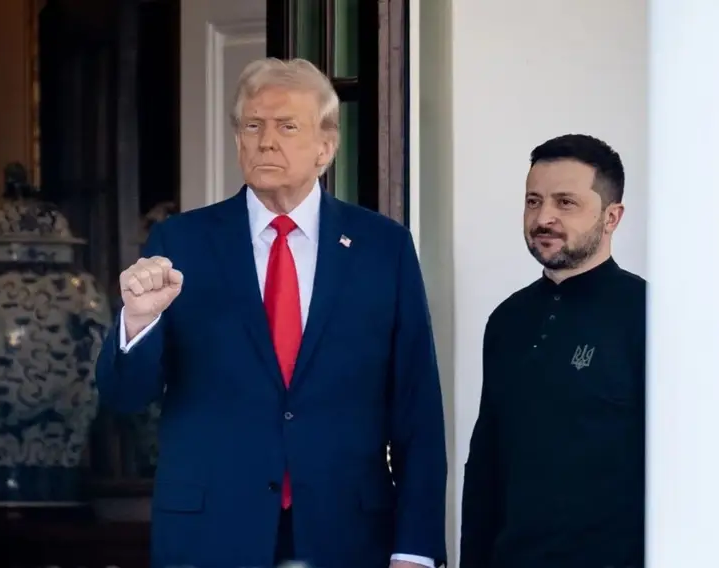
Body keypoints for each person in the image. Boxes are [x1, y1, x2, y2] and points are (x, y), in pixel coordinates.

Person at [95, 58, 447, 568]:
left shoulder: (382, 248)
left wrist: (415, 550)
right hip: (211, 534)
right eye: (252, 126)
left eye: (287, 126)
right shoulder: (182, 243)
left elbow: (417, 409)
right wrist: (137, 323)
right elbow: (125, 397)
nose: (265, 141)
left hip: (346, 534)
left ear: (326, 146)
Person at [459, 134, 646, 568]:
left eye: (565, 202)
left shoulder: (648, 314)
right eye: (533, 201)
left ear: (611, 217)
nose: (544, 217)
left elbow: (680, 471)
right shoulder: (507, 320)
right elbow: (485, 465)